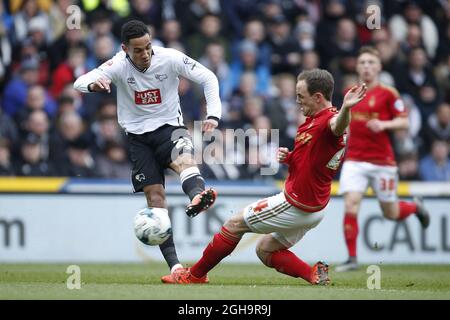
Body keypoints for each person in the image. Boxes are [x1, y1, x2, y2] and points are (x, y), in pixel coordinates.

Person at [162, 69, 367, 285]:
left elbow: (338, 125)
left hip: (297, 203)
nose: (297, 101)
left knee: (234, 224)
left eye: (301, 96)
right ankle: (313, 274)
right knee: (265, 250)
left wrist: (347, 108)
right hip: (315, 205)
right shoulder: (313, 120)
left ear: (317, 97)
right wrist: (290, 159)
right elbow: (317, 160)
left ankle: (194, 275)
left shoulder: (330, 120)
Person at [73, 20, 221, 280]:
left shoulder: (170, 58)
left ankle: (198, 195)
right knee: (155, 200)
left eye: (148, 47)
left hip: (169, 128)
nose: (145, 54)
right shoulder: (117, 64)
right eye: (138, 50)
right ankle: (176, 269)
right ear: (125, 49)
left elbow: (208, 77)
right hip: (138, 138)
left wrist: (214, 115)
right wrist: (93, 86)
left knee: (184, 159)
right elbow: (80, 81)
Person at [335, 46, 430, 272]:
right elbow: (342, 121)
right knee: (351, 204)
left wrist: (384, 124)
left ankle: (415, 207)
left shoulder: (389, 94)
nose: (366, 67)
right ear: (357, 67)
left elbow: (404, 122)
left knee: (391, 212)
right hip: (355, 160)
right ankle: (352, 259)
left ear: (378, 67)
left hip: (382, 162)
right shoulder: (350, 92)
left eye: (371, 63)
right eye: (362, 63)